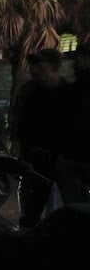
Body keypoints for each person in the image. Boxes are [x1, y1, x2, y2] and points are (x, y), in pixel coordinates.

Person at [12, 48, 69, 225]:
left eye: (39, 65)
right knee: (31, 213)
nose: (33, 69)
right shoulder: (29, 91)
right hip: (35, 163)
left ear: (53, 67)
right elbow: (20, 122)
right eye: (32, 65)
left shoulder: (68, 93)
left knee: (67, 212)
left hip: (62, 161)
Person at [56, 45, 90, 205]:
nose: (77, 62)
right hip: (73, 155)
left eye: (81, 58)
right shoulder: (73, 88)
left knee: (75, 206)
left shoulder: (75, 89)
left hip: (74, 156)